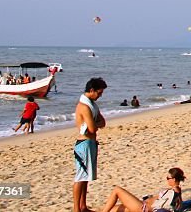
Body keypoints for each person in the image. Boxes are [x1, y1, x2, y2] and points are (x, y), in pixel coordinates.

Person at [73, 77, 107, 212]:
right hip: (84, 143)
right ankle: (76, 208)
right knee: (80, 177)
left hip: (91, 142)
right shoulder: (84, 106)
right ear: (91, 90)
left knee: (86, 177)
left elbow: (102, 123)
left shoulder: (92, 105)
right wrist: (95, 124)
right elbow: (92, 128)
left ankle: (83, 206)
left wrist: (95, 124)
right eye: (99, 93)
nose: (100, 96)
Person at [97, 167, 184, 212]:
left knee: (117, 190)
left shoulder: (175, 190)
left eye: (168, 178)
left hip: (142, 208)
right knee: (114, 209)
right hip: (142, 205)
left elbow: (173, 205)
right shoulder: (174, 190)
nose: (167, 180)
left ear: (174, 179)